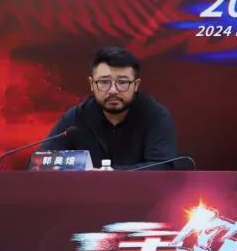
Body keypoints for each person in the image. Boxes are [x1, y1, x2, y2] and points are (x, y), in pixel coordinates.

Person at [42, 47, 181, 169]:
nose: (113, 90)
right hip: (87, 191)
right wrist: (85, 169)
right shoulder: (76, 118)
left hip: (141, 191)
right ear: (91, 84)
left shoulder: (155, 116)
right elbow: (42, 162)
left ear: (136, 85)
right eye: (104, 82)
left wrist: (110, 174)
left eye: (122, 82)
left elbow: (164, 166)